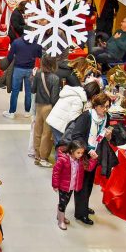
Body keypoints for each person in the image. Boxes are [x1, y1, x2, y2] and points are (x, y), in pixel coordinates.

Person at [65, 93, 113, 225]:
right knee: (82, 183)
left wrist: (108, 136)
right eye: (103, 107)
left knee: (89, 182)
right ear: (96, 106)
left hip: (95, 154)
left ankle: (84, 206)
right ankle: (81, 214)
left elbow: (103, 135)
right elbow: (77, 135)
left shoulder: (106, 117)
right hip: (84, 154)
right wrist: (88, 150)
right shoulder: (86, 116)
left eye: (107, 107)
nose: (105, 110)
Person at [52, 140, 96, 231]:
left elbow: (89, 168)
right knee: (63, 203)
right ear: (72, 150)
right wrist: (55, 185)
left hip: (72, 186)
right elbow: (56, 172)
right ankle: (61, 221)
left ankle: (60, 216)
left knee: (65, 202)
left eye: (82, 153)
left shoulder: (81, 159)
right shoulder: (63, 159)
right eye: (78, 152)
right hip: (63, 186)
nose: (80, 154)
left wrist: (94, 159)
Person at [46, 81, 101, 146]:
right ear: (93, 94)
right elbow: (73, 119)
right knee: (61, 147)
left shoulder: (77, 92)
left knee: (59, 145)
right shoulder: (79, 100)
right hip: (59, 123)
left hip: (55, 119)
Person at [3, 35, 43, 120]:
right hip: (30, 69)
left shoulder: (17, 42)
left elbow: (10, 56)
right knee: (29, 91)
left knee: (15, 91)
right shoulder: (37, 44)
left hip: (18, 69)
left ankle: (12, 112)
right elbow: (40, 55)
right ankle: (27, 112)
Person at [31, 55, 61, 166]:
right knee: (47, 134)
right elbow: (54, 98)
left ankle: (37, 155)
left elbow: (33, 89)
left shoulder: (38, 74)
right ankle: (44, 158)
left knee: (37, 131)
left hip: (39, 105)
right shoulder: (55, 78)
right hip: (49, 107)